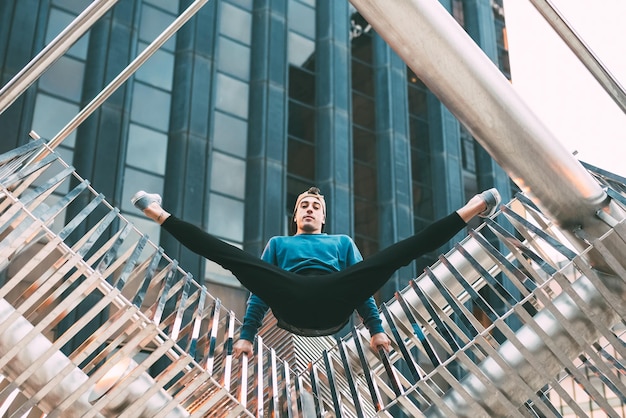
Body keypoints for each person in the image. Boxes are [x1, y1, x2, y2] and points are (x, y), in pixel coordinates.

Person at [131, 186, 501, 357]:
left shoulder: (341, 242)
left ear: (323, 217)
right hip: (291, 301)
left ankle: (470, 210)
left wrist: (377, 332)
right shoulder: (280, 244)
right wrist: (246, 336)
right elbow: (260, 291)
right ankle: (158, 213)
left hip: (334, 301)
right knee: (233, 258)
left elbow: (362, 288)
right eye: (303, 206)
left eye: (315, 207)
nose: (309, 209)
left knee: (394, 256)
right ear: (296, 215)